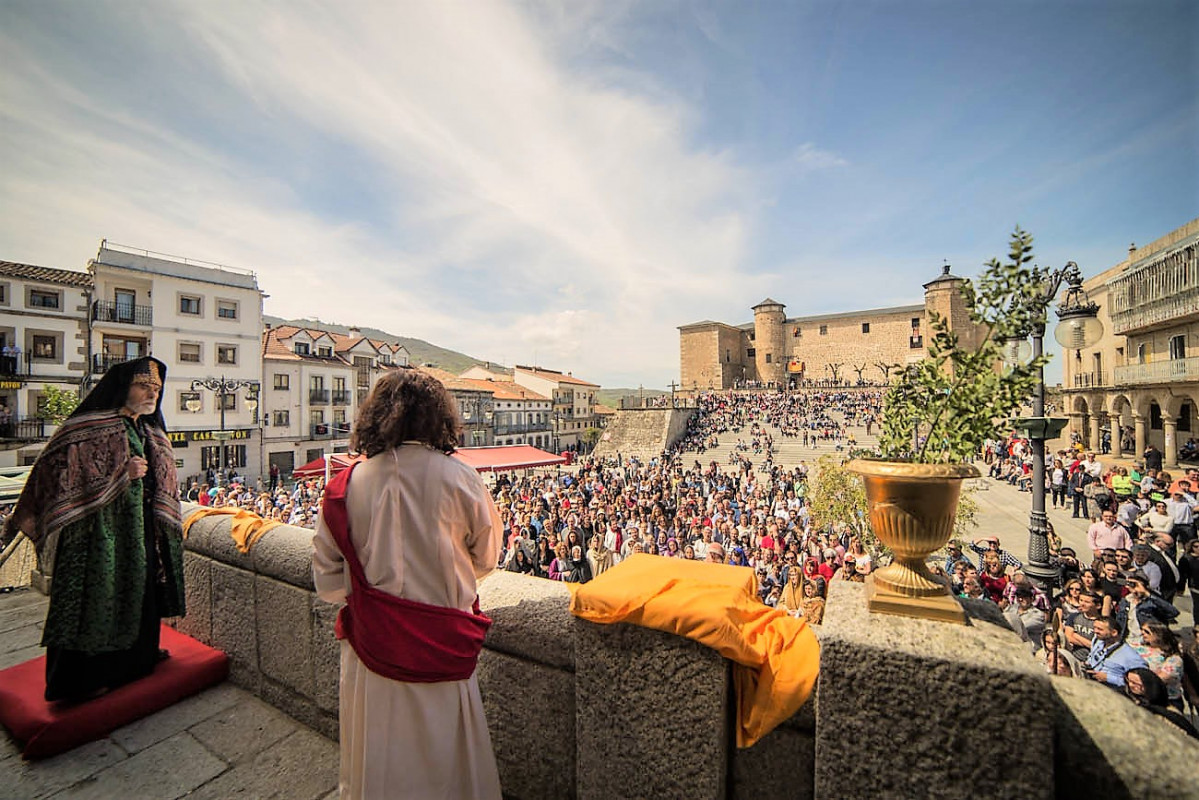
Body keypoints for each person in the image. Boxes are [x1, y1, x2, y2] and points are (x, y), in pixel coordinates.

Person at [311, 369, 503, 799]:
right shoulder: (461, 477)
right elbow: (487, 557)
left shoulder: (345, 485)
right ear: (439, 417)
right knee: (448, 756)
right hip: (443, 640)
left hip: (371, 647)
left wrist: (382, 601)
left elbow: (326, 580)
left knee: (378, 754)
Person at [1, 357, 183, 702]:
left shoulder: (147, 428)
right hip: (96, 536)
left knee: (140, 591)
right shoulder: (89, 427)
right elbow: (55, 471)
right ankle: (78, 681)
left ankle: (135, 661)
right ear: (122, 387)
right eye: (144, 386)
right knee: (94, 601)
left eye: (157, 389)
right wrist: (120, 473)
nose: (152, 394)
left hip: (138, 529)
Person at [1082, 615, 1147, 689]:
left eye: (1100, 629)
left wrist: (1108, 678)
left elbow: (1142, 683)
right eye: (1095, 628)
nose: (1095, 631)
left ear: (1114, 632)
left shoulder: (1131, 656)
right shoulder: (1098, 641)